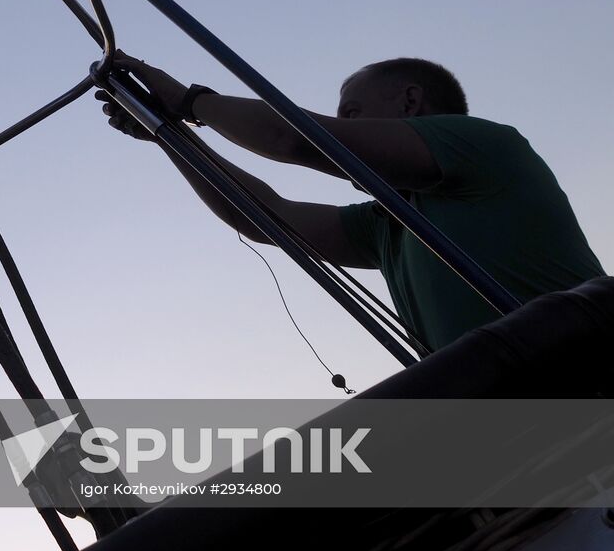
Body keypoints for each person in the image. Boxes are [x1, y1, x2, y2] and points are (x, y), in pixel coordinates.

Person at [98, 53, 604, 351]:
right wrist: (170, 136)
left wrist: (189, 103)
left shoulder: (486, 146)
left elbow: (297, 139)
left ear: (410, 103)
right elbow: (267, 216)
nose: (341, 125)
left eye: (352, 114)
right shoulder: (389, 226)